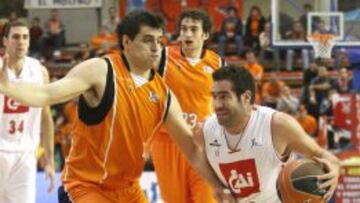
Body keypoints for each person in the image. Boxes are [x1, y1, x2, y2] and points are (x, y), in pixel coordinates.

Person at [0, 11, 234, 203]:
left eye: (159, 41)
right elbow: (46, 94)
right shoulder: (100, 70)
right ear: (127, 42)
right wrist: (7, 88)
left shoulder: (164, 94)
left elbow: (192, 149)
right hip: (86, 186)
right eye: (147, 40)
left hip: (128, 190)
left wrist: (218, 185)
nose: (156, 48)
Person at [195, 65, 340, 202]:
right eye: (214, 97)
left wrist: (334, 169)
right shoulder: (205, 131)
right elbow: (194, 156)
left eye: (224, 96)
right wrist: (217, 186)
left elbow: (321, 154)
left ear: (245, 97)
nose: (217, 105)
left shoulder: (277, 125)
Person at [151, 9, 224, 203]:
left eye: (193, 29)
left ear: (205, 34)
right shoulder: (163, 57)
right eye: (183, 29)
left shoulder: (218, 63)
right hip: (168, 142)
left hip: (202, 143)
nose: (188, 34)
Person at [0, 22, 55, 203]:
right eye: (15, 37)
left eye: (25, 37)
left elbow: (46, 118)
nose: (21, 42)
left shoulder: (39, 71)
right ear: (5, 41)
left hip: (25, 155)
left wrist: (49, 160)